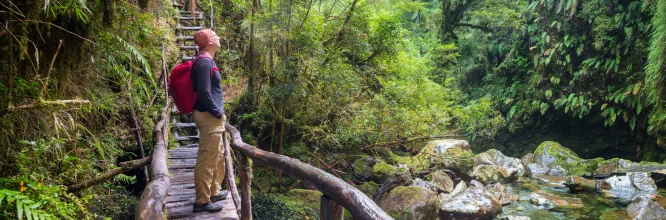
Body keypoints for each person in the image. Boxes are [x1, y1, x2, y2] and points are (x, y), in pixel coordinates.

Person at [191, 28, 228, 213]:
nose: (218, 37)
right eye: (215, 35)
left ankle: (213, 191)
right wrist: (218, 113)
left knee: (217, 155)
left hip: (211, 116)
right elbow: (204, 92)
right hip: (209, 116)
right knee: (207, 158)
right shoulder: (205, 62)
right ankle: (201, 201)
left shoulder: (207, 60)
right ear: (209, 42)